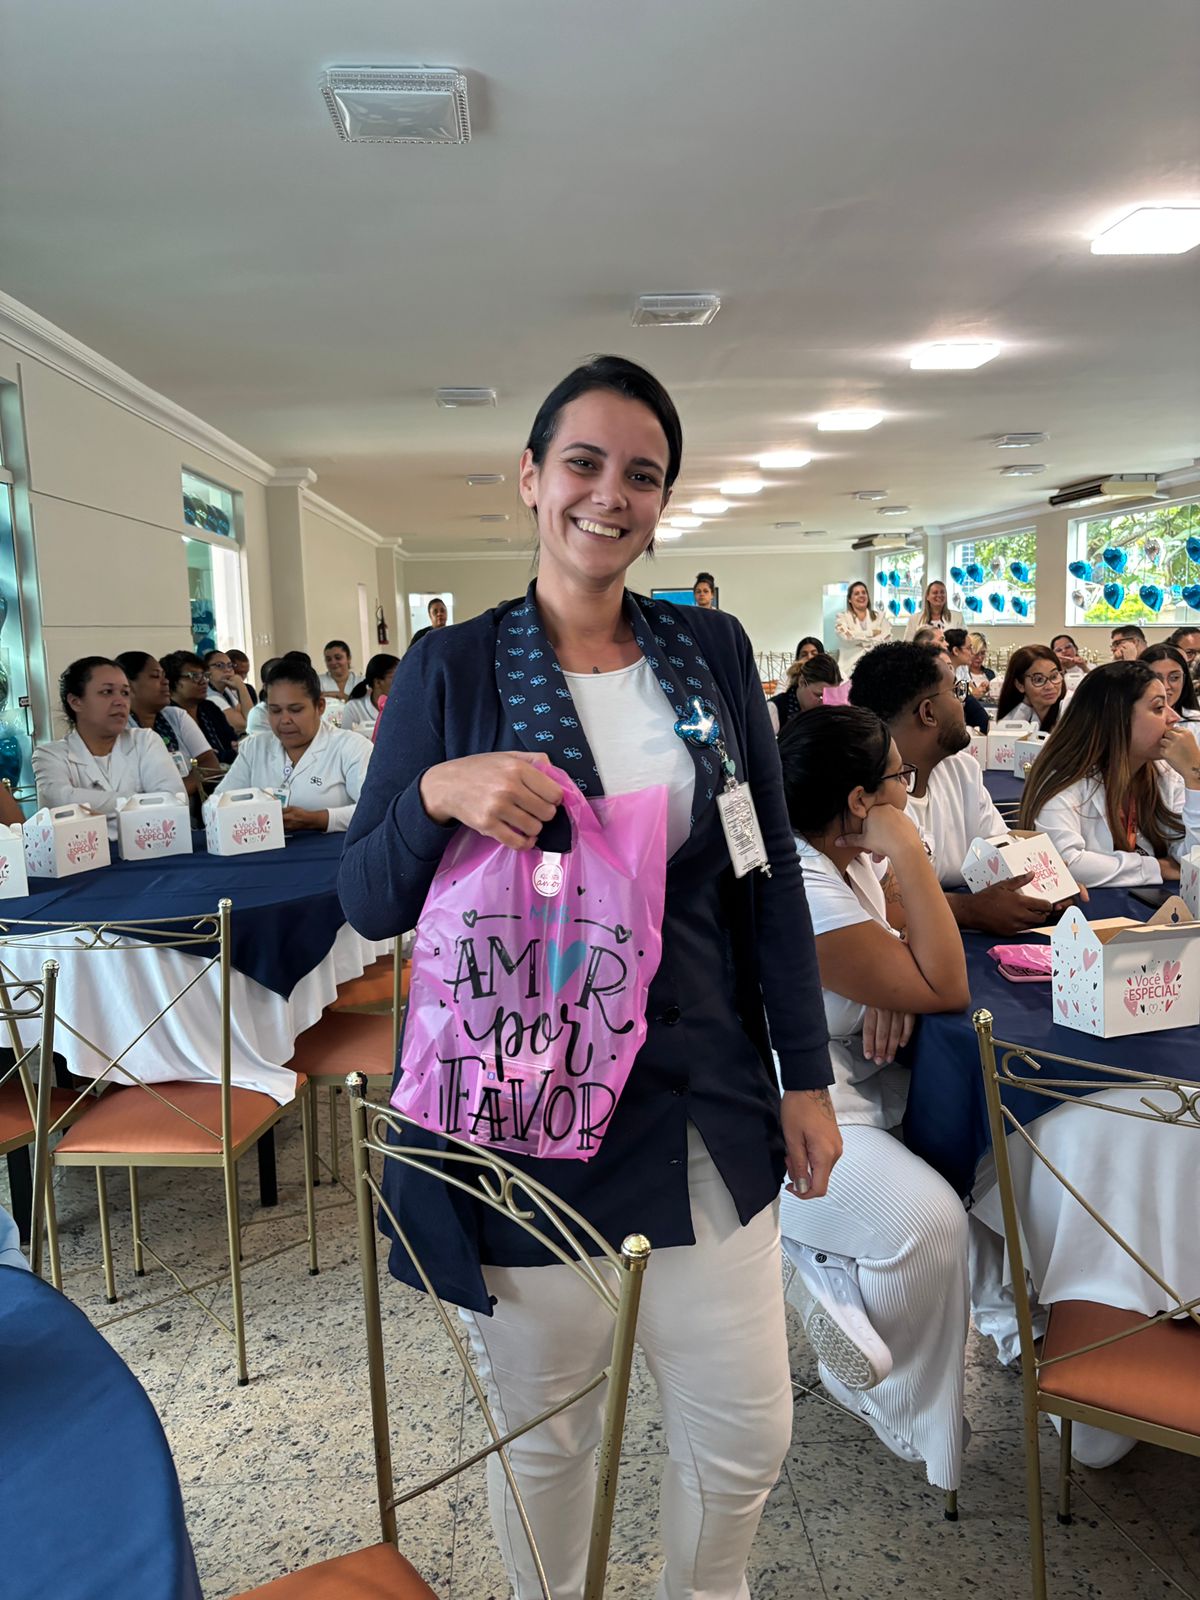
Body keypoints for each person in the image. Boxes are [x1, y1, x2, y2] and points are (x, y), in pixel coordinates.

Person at [339, 354, 840, 1600]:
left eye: (642, 474)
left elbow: (766, 867)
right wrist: (435, 792)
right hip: (525, 1115)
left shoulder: (707, 650)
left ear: (662, 502)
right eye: (583, 462)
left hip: (700, 1092)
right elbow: (366, 897)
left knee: (744, 1432)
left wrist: (807, 1072)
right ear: (530, 477)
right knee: (548, 1438)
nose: (609, 494)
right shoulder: (454, 668)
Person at [776, 705, 970, 1490]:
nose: (909, 790)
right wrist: (909, 849)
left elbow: (915, 950)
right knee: (928, 1225)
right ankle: (816, 1278)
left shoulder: (839, 861)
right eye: (899, 778)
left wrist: (897, 973)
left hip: (853, 1089)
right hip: (793, 1114)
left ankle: (921, 1383)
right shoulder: (800, 882)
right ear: (860, 801)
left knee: (985, 1179)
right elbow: (947, 984)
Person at [851, 642, 1055, 933]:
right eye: (957, 692)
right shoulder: (865, 798)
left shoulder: (961, 771)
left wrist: (1048, 887)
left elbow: (999, 848)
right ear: (928, 712)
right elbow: (877, 901)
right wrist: (967, 909)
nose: (964, 703)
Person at [1019, 661, 1200, 886]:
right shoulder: (1064, 779)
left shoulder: (1163, 772)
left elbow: (1193, 857)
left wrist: (1194, 777)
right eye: (1158, 708)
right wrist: (1156, 867)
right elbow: (1063, 864)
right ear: (1117, 717)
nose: (1173, 717)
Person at [208, 655, 371, 833]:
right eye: (275, 710)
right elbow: (215, 803)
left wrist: (318, 819)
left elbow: (374, 809)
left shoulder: (351, 747)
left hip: (332, 848)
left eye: (296, 710)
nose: (285, 720)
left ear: (320, 706)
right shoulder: (255, 748)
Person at [32, 657, 185, 835]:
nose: (120, 701)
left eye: (125, 693)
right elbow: (62, 801)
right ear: (75, 702)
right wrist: (142, 801)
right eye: (107, 692)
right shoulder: (49, 755)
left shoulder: (145, 741)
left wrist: (89, 805)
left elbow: (174, 802)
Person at [116, 650, 220, 797]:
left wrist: (172, 793)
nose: (165, 682)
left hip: (189, 805)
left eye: (164, 676)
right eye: (155, 676)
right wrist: (175, 792)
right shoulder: (121, 727)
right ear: (128, 685)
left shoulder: (176, 716)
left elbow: (210, 764)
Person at [161, 649, 238, 765]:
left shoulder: (209, 708)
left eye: (205, 676)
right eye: (195, 676)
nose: (204, 682)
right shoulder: (165, 717)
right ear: (173, 681)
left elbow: (233, 745)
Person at [994, 645, 1069, 732]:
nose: (1050, 686)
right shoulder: (1022, 713)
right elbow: (1005, 734)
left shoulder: (1069, 709)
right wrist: (1025, 706)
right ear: (1020, 685)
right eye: (1039, 680)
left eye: (1054, 677)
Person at [767, 652, 841, 736]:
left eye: (830, 697)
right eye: (819, 695)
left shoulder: (830, 713)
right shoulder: (774, 711)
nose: (824, 703)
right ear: (802, 682)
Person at [834, 581, 892, 672]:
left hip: (876, 666)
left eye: (864, 592)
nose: (861, 595)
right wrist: (871, 633)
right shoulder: (842, 618)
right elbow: (846, 637)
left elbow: (886, 640)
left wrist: (858, 640)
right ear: (849, 599)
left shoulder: (880, 617)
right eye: (856, 593)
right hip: (849, 668)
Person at [339, 652, 400, 738]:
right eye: (396, 677)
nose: (401, 682)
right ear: (378, 682)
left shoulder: (403, 705)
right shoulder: (353, 708)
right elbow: (345, 740)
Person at [943, 631, 990, 733]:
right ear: (956, 651)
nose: (972, 653)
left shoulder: (962, 669)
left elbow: (965, 694)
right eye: (969, 648)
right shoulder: (943, 673)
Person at [1141, 643, 1200, 720]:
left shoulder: (1196, 721)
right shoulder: (1129, 722)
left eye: (1174, 678)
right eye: (1156, 678)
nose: (1166, 686)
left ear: (1184, 679)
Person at [203, 648, 253, 736]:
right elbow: (247, 724)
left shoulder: (226, 690)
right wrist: (241, 687)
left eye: (230, 665)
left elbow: (249, 717)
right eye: (219, 665)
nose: (227, 669)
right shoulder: (209, 696)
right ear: (207, 672)